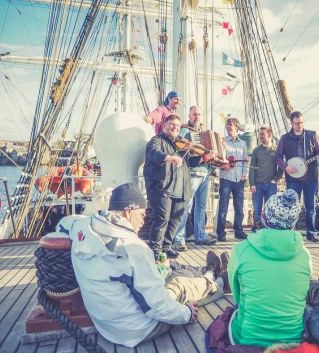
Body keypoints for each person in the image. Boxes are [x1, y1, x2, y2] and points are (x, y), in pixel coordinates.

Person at [67, 182, 228, 348]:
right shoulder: (133, 249)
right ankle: (219, 281)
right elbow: (157, 307)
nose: (143, 222)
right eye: (142, 215)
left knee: (170, 275)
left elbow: (64, 223)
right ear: (128, 212)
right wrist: (187, 313)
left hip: (107, 327)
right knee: (179, 284)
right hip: (139, 330)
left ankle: (209, 273)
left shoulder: (83, 227)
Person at [227, 189, 312, 347]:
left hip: (248, 338)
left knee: (233, 314)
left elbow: (237, 295)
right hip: (293, 339)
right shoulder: (305, 255)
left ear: (265, 216)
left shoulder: (241, 250)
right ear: (293, 223)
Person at [276, 111, 319, 242]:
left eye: (302, 123)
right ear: (291, 123)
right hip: (293, 178)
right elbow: (278, 156)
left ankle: (311, 234)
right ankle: (293, 234)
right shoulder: (284, 138)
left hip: (311, 178)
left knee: (311, 207)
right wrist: (285, 167)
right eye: (297, 123)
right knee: (292, 206)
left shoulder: (312, 135)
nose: (300, 126)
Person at [144, 114, 191, 259]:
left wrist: (205, 157)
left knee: (176, 218)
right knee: (162, 218)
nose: (175, 127)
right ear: (164, 125)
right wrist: (168, 157)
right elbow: (153, 153)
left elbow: (191, 162)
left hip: (180, 188)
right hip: (162, 187)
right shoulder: (156, 140)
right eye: (171, 124)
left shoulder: (181, 145)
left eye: (177, 126)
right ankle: (155, 250)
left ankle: (167, 246)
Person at [173, 106, 217, 250]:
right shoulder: (185, 130)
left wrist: (213, 159)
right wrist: (197, 153)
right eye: (194, 114)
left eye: (199, 114)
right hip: (192, 172)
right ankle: (179, 238)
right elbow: (181, 149)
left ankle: (200, 235)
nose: (197, 116)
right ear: (189, 116)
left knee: (201, 207)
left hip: (205, 172)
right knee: (187, 205)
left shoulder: (205, 132)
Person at [216, 117, 249, 242]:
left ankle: (238, 231)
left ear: (236, 127)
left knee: (239, 207)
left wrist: (243, 174)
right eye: (227, 125)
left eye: (230, 125)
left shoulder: (243, 143)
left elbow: (245, 160)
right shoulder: (223, 142)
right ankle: (220, 232)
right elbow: (219, 158)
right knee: (223, 207)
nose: (228, 127)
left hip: (238, 180)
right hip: (226, 178)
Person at [249, 125, 283, 232]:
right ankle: (256, 230)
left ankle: (269, 229)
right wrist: (252, 183)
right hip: (258, 185)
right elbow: (252, 168)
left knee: (270, 209)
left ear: (270, 135)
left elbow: (281, 167)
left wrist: (275, 179)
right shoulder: (256, 151)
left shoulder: (277, 150)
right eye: (259, 134)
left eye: (262, 134)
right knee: (257, 210)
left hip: (271, 185)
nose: (260, 136)